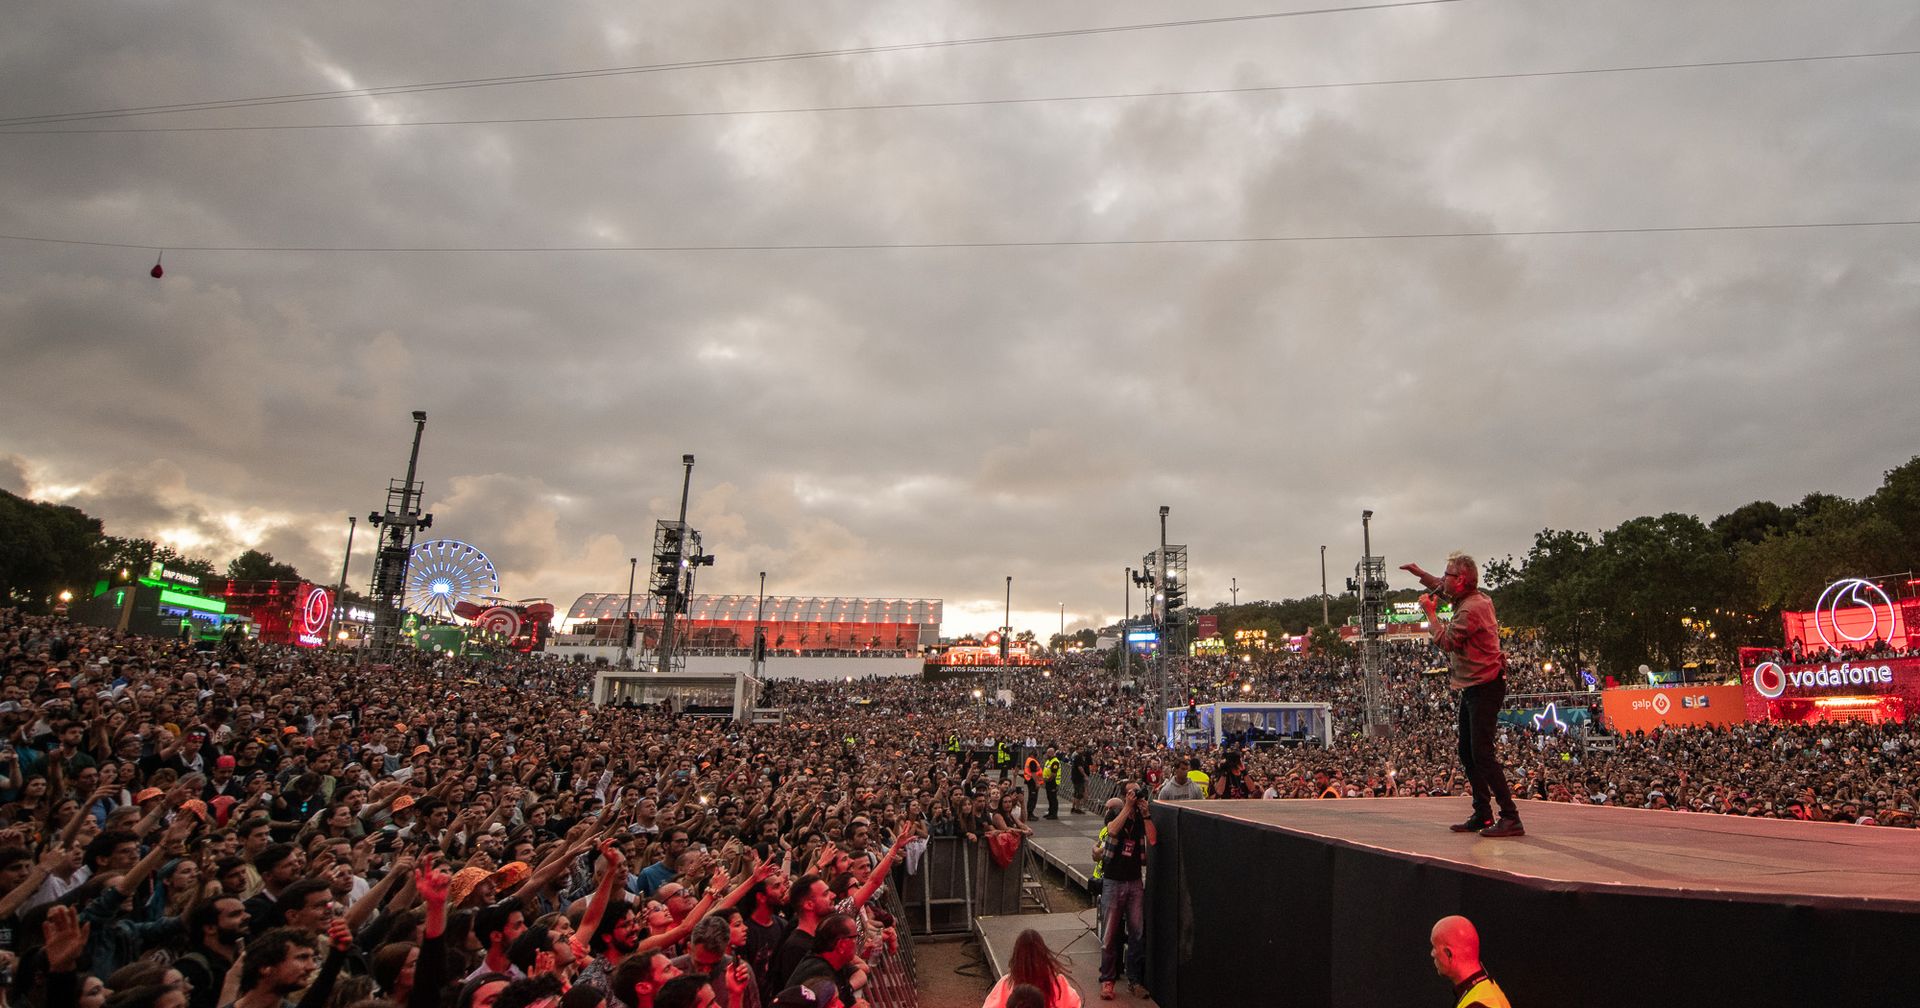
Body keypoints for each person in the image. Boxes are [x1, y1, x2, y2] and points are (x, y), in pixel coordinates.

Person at [1403, 553, 1523, 838]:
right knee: (1467, 751)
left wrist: (1430, 613)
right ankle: (1483, 812)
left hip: (1485, 685)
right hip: (1473, 685)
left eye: (1448, 575)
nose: (1443, 580)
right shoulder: (1468, 599)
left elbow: (1446, 642)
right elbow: (1442, 587)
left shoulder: (1471, 610)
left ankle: (1510, 816)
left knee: (1482, 753)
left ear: (1463, 580)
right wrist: (1420, 573)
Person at [1096, 783, 1153, 1001]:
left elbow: (1153, 839)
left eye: (1137, 792)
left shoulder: (1141, 816)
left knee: (1137, 933)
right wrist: (1128, 807)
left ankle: (1135, 980)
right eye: (1130, 792)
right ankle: (1108, 979)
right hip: (1113, 881)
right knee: (1110, 935)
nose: (1135, 795)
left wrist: (1146, 815)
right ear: (1123, 795)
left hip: (1134, 881)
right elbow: (1112, 829)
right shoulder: (1116, 812)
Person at [983, 928, 1082, 1008]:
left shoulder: (1006, 984)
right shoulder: (1058, 983)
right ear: (1043, 954)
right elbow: (1074, 1004)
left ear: (1016, 956)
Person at [1428, 915, 1510, 1008]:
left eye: (1434, 947)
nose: (1432, 954)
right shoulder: (1486, 989)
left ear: (1449, 954)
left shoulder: (1477, 1005)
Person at [1041, 748, 1062, 821]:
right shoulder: (1048, 761)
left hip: (1053, 782)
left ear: (1052, 753)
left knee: (1053, 799)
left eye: (1048, 753)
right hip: (1048, 782)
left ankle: (1054, 814)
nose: (1047, 755)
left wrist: (1047, 780)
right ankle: (1050, 812)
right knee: (1049, 798)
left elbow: (1053, 774)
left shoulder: (1055, 762)